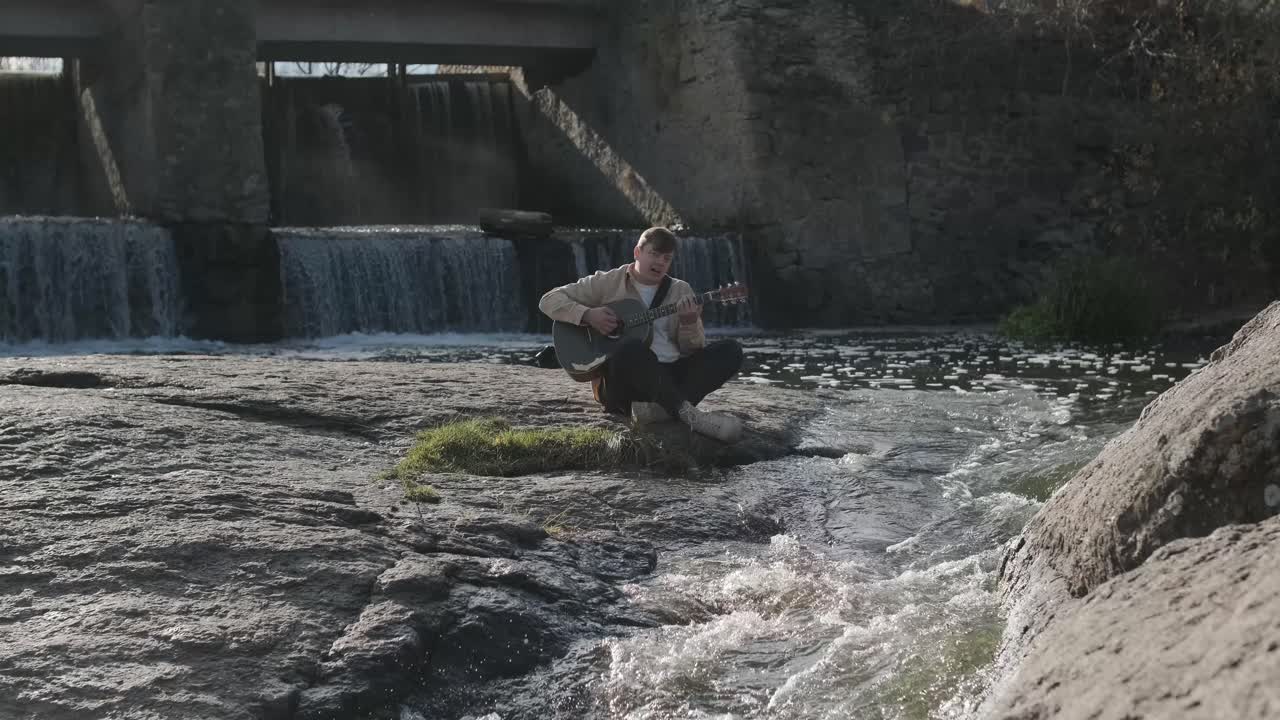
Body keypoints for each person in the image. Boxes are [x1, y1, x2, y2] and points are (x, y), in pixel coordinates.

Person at [538, 226, 746, 443]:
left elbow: (691, 350)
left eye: (666, 258)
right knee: (632, 347)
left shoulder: (681, 290)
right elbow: (548, 301)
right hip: (623, 382)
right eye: (654, 254)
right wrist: (588, 315)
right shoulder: (608, 281)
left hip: (669, 376)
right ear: (637, 252)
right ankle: (687, 413)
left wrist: (689, 322)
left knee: (731, 350)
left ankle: (662, 410)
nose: (659, 263)